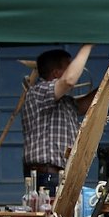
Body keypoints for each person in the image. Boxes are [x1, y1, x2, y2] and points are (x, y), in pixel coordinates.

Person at [22, 45, 97, 195]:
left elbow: (83, 106)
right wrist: (87, 46)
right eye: (69, 66)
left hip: (59, 175)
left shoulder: (64, 101)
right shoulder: (38, 92)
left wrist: (106, 85)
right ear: (56, 73)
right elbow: (68, 80)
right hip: (47, 175)